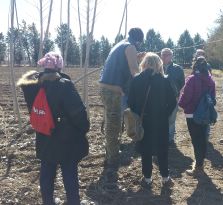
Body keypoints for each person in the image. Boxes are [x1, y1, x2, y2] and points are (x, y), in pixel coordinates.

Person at [17, 52, 89, 204]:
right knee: (69, 172)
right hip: (66, 139)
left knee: (46, 171)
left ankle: (48, 202)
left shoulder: (32, 86)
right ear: (59, 67)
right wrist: (84, 128)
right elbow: (78, 115)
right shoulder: (64, 85)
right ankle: (73, 202)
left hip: (44, 135)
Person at [128, 53, 177, 187]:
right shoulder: (164, 80)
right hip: (160, 120)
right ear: (159, 64)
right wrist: (165, 114)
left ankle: (148, 178)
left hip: (143, 120)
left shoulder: (136, 80)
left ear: (144, 64)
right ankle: (165, 177)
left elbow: (130, 102)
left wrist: (138, 114)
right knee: (162, 149)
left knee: (145, 150)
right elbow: (173, 102)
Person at [99, 28, 144, 169]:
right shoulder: (130, 47)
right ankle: (112, 160)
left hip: (106, 89)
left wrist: (136, 58)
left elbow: (123, 64)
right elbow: (135, 72)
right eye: (140, 43)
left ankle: (111, 155)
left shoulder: (121, 44)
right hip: (113, 91)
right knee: (114, 126)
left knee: (112, 124)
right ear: (138, 40)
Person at [179, 56, 216, 176]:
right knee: (203, 139)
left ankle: (198, 166)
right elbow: (213, 99)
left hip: (192, 114)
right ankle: (200, 163)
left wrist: (182, 105)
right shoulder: (211, 81)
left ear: (195, 66)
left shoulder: (191, 79)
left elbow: (185, 97)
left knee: (196, 140)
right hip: (205, 114)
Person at [160, 48, 185, 146]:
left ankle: (169, 139)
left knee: (171, 119)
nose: (165, 56)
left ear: (171, 56)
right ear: (160, 56)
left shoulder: (178, 68)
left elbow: (183, 84)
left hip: (173, 98)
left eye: (167, 54)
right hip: (159, 98)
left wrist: (179, 96)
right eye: (163, 54)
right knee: (160, 118)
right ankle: (161, 137)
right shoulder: (157, 67)